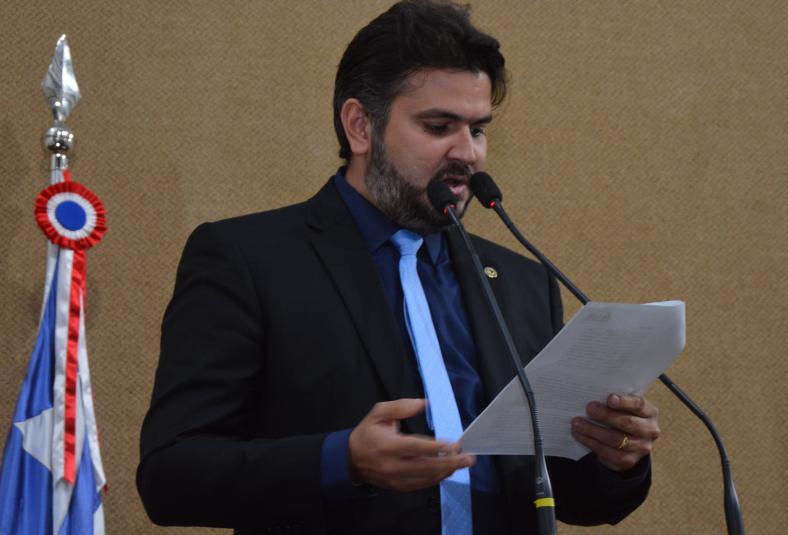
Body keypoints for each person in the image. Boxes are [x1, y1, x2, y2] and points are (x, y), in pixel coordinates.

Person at [137, 1, 660, 533]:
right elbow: (170, 474)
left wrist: (614, 457)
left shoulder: (522, 284)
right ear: (360, 126)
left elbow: (567, 497)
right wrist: (341, 461)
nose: (468, 153)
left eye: (478, 130)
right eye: (439, 126)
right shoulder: (249, 260)